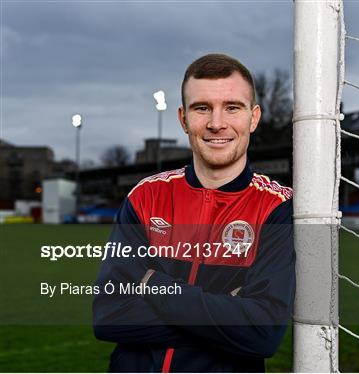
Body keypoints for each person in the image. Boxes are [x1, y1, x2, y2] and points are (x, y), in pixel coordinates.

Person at [93, 54, 295, 372]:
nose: (216, 123)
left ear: (254, 118)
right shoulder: (145, 197)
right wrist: (225, 310)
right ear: (183, 118)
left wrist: (151, 283)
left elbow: (262, 333)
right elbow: (108, 317)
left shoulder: (277, 209)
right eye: (202, 108)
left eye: (232, 107)